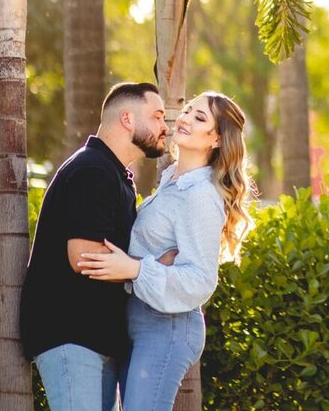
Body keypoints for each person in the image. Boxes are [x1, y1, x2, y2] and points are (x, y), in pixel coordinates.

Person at [77, 91, 255, 411]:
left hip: (168, 325)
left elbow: (201, 279)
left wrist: (135, 269)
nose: (185, 119)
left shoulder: (201, 194)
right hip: (138, 319)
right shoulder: (172, 182)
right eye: (188, 111)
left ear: (215, 139)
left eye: (199, 118)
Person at [20, 82, 168, 411]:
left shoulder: (115, 177)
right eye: (157, 116)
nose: (164, 127)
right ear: (127, 118)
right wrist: (148, 271)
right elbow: (84, 256)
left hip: (98, 340)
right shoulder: (93, 171)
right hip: (71, 336)